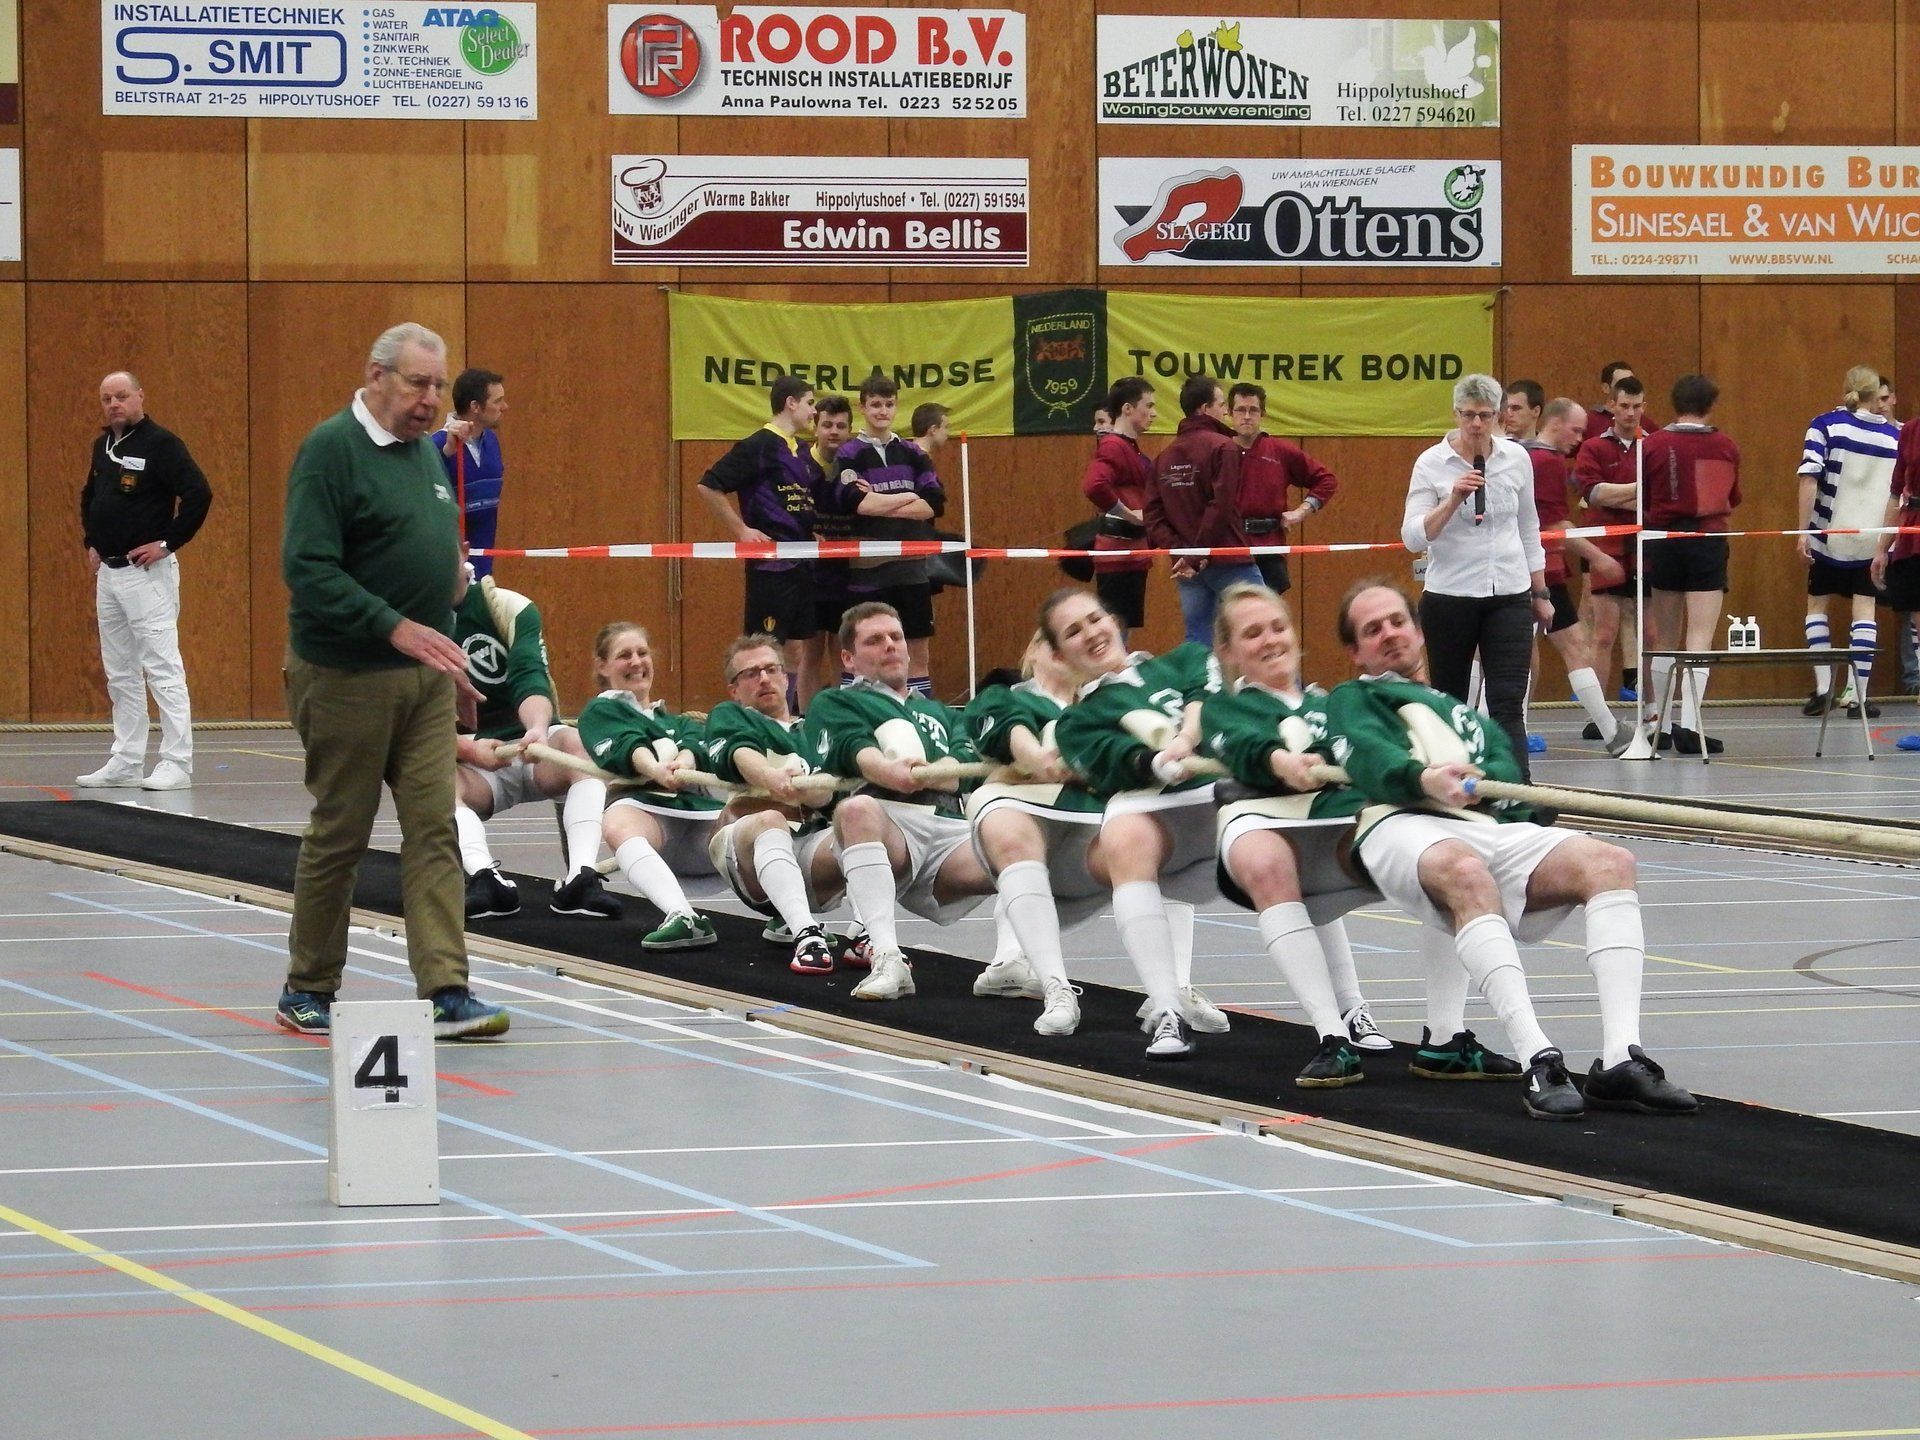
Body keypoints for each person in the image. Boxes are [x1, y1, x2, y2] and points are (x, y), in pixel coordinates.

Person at [1325, 579, 1698, 1119]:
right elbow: (1369, 757)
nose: (1389, 634)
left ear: (1418, 631)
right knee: (1465, 871)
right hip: (1398, 821)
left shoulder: (1458, 712)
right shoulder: (1352, 699)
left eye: (1397, 622)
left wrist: (1495, 793)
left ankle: (1620, 1060)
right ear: (1356, 651)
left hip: (1477, 824)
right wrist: (1425, 778)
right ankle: (1537, 1058)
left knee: (1611, 863)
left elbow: (1503, 768)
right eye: (1372, 629)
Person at [275, 322, 507, 1041]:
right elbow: (307, 568)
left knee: (436, 829)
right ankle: (308, 985)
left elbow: (436, 564)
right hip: (346, 675)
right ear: (376, 376)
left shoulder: (424, 454)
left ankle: (446, 989)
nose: (431, 399)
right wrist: (394, 627)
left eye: (438, 386)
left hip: (425, 681)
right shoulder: (330, 451)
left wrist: (448, 654)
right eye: (417, 384)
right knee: (341, 832)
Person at [1200, 583, 1393, 1087]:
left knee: (1435, 855)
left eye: (1277, 627)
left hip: (1333, 825)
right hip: (1265, 819)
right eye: (1253, 633)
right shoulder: (1225, 706)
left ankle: (1443, 1033)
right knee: (1268, 863)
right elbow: (1244, 745)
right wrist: (1280, 761)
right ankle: (1332, 1034)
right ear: (1228, 651)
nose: (1270, 640)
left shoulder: (1333, 703)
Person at [1044, 589, 1228, 1060]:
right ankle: (1168, 1010)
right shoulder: (1077, 722)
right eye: (1073, 632)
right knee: (1121, 833)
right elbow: (1111, 761)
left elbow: (1207, 695)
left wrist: (1186, 737)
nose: (1091, 634)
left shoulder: (1184, 659)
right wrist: (1154, 762)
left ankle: (1346, 1015)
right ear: (1059, 655)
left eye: (1095, 619)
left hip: (1224, 801)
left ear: (1113, 619)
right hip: (1159, 822)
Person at [803, 602, 998, 1000]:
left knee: (1016, 833)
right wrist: (889, 770)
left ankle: (1012, 963)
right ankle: (886, 958)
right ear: (848, 658)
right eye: (874, 640)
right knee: (855, 809)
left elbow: (966, 761)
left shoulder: (941, 711)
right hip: (888, 824)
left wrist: (937, 771)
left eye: (896, 637)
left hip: (948, 829)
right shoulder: (836, 702)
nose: (890, 646)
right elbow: (856, 751)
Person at [449, 561, 619, 922]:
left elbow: (529, 675)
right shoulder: (410, 622)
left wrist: (537, 729)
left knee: (577, 746)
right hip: (475, 763)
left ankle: (581, 877)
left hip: (533, 751)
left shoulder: (508, 607)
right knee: (429, 777)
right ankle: (484, 877)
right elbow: (402, 725)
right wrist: (468, 749)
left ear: (463, 551)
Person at [1402, 373, 1553, 778]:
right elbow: (1413, 536)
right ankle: (1453, 789)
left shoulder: (1516, 458)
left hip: (1509, 593)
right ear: (1455, 414)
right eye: (1468, 415)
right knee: (1451, 702)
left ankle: (1518, 794)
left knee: (1508, 703)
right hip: (1450, 597)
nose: (1476, 425)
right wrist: (1452, 499)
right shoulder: (1432, 463)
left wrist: (1540, 592)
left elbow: (1529, 527)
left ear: (1498, 416)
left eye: (1485, 416)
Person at [964, 630, 1107, 1036]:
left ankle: (1173, 991)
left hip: (1089, 847)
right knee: (1014, 837)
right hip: (1028, 835)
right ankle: (1056, 989)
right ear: (1031, 652)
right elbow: (1014, 732)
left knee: (1155, 830)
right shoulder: (1005, 697)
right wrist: (1041, 759)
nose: (1062, 650)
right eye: (1052, 641)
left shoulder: (1105, 706)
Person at [77, 370, 213, 792]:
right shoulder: (102, 446)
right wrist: (92, 542)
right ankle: (126, 759)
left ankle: (177, 762)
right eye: (106, 399)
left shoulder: (162, 444)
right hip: (110, 574)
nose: (114, 404)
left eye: (121, 396)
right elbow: (90, 497)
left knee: (162, 668)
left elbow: (199, 493)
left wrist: (168, 543)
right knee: (120, 672)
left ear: (139, 396)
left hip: (146, 576)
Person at [697, 375, 850, 710]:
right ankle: (756, 716)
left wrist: (808, 531)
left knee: (795, 649)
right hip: (771, 568)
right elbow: (709, 485)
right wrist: (741, 530)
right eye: (809, 403)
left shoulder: (799, 450)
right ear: (790, 403)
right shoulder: (759, 445)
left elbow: (799, 500)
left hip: (802, 565)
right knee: (763, 649)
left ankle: (784, 714)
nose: (813, 411)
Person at [703, 633, 848, 975]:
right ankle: (807, 935)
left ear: (786, 677)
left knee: (865, 823)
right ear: (734, 690)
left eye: (771, 669)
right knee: (770, 819)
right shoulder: (731, 716)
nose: (764, 679)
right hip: (747, 847)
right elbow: (740, 752)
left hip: (810, 846)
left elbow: (832, 795)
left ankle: (867, 935)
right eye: (751, 674)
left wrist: (809, 791)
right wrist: (774, 779)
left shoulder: (814, 731)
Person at [575, 622, 723, 950]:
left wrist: (684, 762)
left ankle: (791, 919)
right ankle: (682, 916)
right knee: (617, 822)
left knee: (758, 826)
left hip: (700, 820)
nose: (636, 662)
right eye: (624, 655)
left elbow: (698, 744)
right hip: (648, 815)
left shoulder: (676, 721)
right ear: (602, 666)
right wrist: (656, 769)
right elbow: (627, 744)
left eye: (642, 653)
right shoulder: (601, 710)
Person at [1521, 397, 1630, 753]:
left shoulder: (1522, 456)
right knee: (1575, 647)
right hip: (1542, 570)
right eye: (1576, 430)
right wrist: (1599, 557)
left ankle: (1508, 730)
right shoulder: (1548, 461)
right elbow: (1557, 526)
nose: (1580, 439)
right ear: (1554, 423)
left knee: (1521, 653)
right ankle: (1611, 731)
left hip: (1520, 569)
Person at [1643, 375, 1742, 754]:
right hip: (1707, 541)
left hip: (1664, 541)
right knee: (1699, 636)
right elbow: (1733, 495)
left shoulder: (1653, 444)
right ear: (1711, 405)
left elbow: (1644, 495)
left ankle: (1662, 725)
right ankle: (1689, 724)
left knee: (1665, 638)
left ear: (1674, 402)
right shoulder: (1725, 446)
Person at [1798, 365, 1900, 719]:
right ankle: (1859, 696)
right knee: (1865, 613)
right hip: (1872, 539)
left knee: (1817, 606)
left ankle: (1824, 688)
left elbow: (1809, 478)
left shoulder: (1825, 425)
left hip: (1829, 533)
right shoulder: (1894, 437)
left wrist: (1803, 531)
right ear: (1877, 395)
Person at [835, 377, 944, 699]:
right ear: (863, 407)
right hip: (866, 573)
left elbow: (934, 505)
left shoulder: (913, 453)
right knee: (860, 655)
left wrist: (881, 502)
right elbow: (857, 504)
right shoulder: (849, 453)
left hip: (912, 571)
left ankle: (920, 716)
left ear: (896, 406)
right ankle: (855, 712)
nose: (882, 411)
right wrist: (908, 495)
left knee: (916, 655)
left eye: (889, 404)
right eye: (875, 405)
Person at [1147, 374, 1257, 646]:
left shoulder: (1162, 458)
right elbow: (1221, 506)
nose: (1225, 411)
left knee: (1198, 640)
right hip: (1228, 559)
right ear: (1205, 409)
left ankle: (1199, 679)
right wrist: (1198, 554)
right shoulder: (1224, 447)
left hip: (1187, 567)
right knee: (1261, 626)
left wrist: (1183, 554)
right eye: (1221, 404)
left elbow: (1152, 515)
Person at [1575, 374, 1650, 707]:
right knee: (1603, 633)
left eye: (1636, 406)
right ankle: (1598, 714)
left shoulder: (1654, 445)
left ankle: (1652, 710)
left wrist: (1617, 496)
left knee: (1651, 634)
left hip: (1646, 547)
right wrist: (1639, 490)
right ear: (1611, 406)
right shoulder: (1593, 447)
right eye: (1624, 406)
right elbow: (1593, 493)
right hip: (1607, 548)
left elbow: (1659, 499)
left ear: (1644, 407)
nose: (1630, 413)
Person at [1227, 383, 1338, 597]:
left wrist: (1301, 512)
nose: (1247, 417)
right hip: (1230, 547)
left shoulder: (1279, 451)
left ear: (1263, 414)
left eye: (1253, 410)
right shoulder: (1218, 451)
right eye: (1240, 410)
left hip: (1269, 548)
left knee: (1267, 610)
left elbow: (1326, 480)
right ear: (1229, 413)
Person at [1081, 377, 1157, 641]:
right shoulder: (1114, 446)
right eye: (1149, 405)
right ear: (1127, 409)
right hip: (1118, 554)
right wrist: (1128, 514)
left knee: (1121, 630)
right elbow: (1094, 486)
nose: (1154, 413)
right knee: (1115, 632)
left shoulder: (1130, 449)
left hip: (1132, 553)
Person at [434, 368, 507, 577]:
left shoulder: (492, 442)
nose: (504, 407)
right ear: (475, 406)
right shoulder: (436, 446)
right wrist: (446, 453)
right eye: (497, 401)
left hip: (483, 571)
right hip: (448, 574)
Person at [808, 394, 856, 685]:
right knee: (809, 652)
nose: (834, 431)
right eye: (827, 425)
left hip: (846, 571)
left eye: (841, 426)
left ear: (850, 430)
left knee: (843, 650)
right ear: (815, 427)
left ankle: (843, 706)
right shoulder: (799, 464)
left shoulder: (855, 464)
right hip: (810, 572)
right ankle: (807, 710)